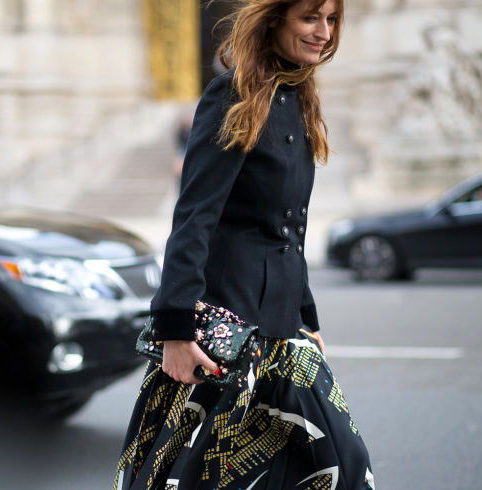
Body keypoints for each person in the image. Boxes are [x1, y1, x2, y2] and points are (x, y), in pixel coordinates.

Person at [114, 1, 374, 489]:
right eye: (309, 17)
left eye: (332, 20)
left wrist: (308, 319)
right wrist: (174, 328)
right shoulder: (232, 95)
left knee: (337, 466)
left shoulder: (297, 96)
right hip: (228, 333)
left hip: (283, 330)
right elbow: (195, 216)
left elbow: (288, 230)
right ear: (276, 20)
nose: (323, 32)